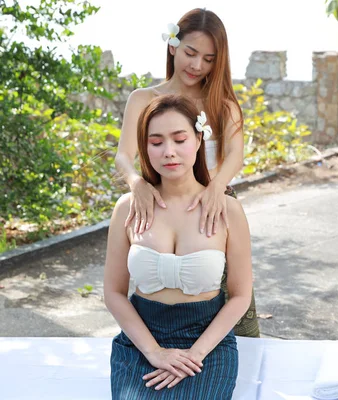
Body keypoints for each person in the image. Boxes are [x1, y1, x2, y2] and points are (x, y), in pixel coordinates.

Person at [115, 8, 259, 337]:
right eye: (190, 53)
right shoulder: (143, 99)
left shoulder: (223, 103)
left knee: (233, 301)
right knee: (157, 295)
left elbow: (235, 156)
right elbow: (123, 156)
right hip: (159, 203)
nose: (197, 65)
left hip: (213, 206)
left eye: (209, 59)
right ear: (172, 46)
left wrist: (216, 188)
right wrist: (136, 183)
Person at [105, 94, 252, 398]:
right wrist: (155, 352)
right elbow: (114, 293)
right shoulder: (127, 208)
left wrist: (196, 354)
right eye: (156, 142)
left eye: (179, 139)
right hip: (141, 340)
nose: (168, 152)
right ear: (145, 148)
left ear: (199, 140)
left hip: (206, 343)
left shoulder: (227, 210)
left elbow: (240, 296)